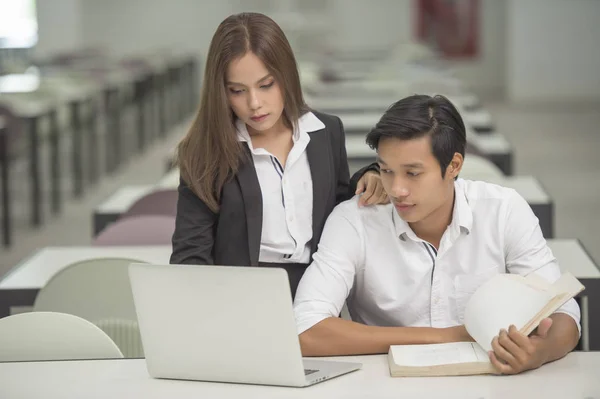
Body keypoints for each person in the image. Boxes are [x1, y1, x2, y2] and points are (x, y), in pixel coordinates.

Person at [293, 94, 581, 375]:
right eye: (386, 170)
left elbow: (563, 310)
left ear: (454, 165)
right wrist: (448, 336)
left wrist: (538, 353)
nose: (396, 190)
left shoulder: (503, 210)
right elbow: (304, 329)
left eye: (413, 173)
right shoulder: (354, 219)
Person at [170, 12, 388, 299]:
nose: (254, 104)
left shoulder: (326, 131)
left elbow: (339, 209)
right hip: (240, 296)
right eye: (237, 91)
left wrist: (370, 174)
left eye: (266, 85)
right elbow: (191, 257)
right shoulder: (204, 151)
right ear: (221, 92)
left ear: (286, 76)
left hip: (320, 289)